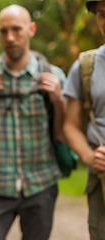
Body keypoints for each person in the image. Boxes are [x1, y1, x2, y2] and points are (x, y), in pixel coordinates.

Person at [0, 5, 67, 240]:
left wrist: (58, 101)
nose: (10, 38)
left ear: (31, 29)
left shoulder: (54, 77)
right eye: (3, 31)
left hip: (41, 182)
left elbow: (61, 135)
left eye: (16, 30)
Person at [63, 1, 105, 239]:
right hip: (101, 183)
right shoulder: (85, 66)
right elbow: (70, 125)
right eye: (102, 14)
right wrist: (90, 157)